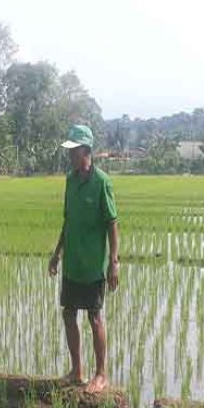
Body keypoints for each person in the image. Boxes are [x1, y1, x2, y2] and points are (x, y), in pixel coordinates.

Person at [48, 125, 120, 394]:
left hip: (92, 265)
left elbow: (112, 224)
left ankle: (101, 374)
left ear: (86, 151)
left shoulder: (101, 182)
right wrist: (57, 253)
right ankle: (77, 370)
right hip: (73, 263)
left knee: (94, 316)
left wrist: (114, 262)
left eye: (74, 151)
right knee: (68, 313)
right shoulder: (70, 180)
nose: (70, 155)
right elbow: (68, 220)